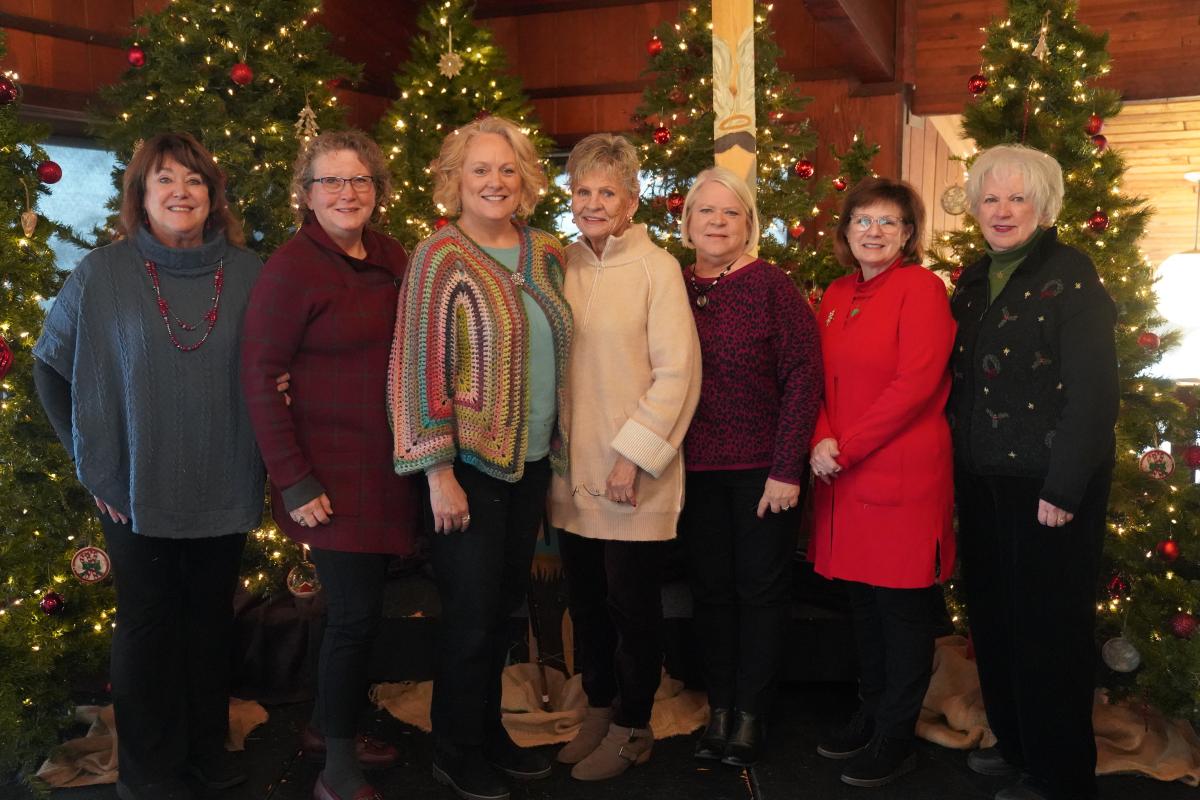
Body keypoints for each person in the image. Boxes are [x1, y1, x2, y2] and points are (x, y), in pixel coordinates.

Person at [32, 133, 264, 800]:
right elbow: (49, 367)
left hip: (224, 475)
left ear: (213, 195)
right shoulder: (101, 273)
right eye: (165, 179)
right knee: (147, 625)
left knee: (209, 621)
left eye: (194, 179)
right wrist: (89, 463)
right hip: (131, 487)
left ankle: (205, 748)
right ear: (141, 193)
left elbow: (278, 364)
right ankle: (149, 770)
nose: (181, 192)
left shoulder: (251, 273)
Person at [388, 115, 572, 800]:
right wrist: (437, 473)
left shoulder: (547, 252)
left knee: (503, 611)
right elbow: (418, 368)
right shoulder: (439, 256)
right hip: (466, 468)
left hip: (531, 463)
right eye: (480, 169)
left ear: (525, 178)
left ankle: (487, 731)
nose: (495, 181)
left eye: (507, 169)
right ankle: (454, 749)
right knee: (469, 617)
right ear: (454, 180)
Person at [240, 130, 421, 800]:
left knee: (359, 612)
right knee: (353, 617)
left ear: (377, 189)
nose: (347, 193)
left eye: (360, 180)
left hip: (387, 469)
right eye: (331, 181)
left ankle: (324, 725)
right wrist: (293, 478)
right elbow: (261, 377)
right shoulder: (291, 269)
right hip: (325, 478)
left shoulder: (394, 256)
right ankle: (336, 771)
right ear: (307, 194)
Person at [950, 145, 1118, 800]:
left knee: (1049, 632)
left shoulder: (1070, 274)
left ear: (1043, 207)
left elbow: (1094, 393)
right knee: (995, 621)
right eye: (991, 198)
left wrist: (1064, 485)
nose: (1003, 210)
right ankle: (1018, 744)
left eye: (1018, 198)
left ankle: (1059, 774)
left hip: (1048, 485)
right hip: (983, 480)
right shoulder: (973, 282)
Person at [546, 133, 701, 780]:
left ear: (632, 201)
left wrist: (631, 458)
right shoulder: (561, 265)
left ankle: (634, 725)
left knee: (631, 608)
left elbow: (677, 374)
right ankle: (599, 707)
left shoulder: (655, 269)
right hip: (572, 470)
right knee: (584, 602)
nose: (592, 203)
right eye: (582, 191)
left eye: (606, 192)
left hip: (631, 475)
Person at [808, 177, 955, 788]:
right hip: (843, 474)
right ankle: (871, 713)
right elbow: (815, 377)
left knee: (901, 612)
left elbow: (915, 385)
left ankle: (897, 735)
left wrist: (845, 447)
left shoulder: (921, 289)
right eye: (862, 220)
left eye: (888, 222)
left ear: (908, 233)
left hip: (900, 474)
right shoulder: (836, 293)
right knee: (863, 606)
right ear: (846, 231)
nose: (874, 231)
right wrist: (820, 437)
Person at [676, 166, 823, 767]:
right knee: (710, 592)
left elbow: (804, 377)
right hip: (692, 470)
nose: (717, 222)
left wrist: (787, 468)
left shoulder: (772, 287)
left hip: (764, 470)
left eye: (730, 212)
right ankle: (719, 708)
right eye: (706, 211)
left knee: (760, 592)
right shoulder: (672, 285)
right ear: (687, 222)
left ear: (749, 225)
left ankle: (752, 715)